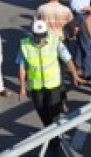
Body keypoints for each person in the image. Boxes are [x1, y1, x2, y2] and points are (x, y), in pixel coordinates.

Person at [18, 20, 83, 156]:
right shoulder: (25, 44)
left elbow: (67, 58)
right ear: (33, 34)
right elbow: (22, 66)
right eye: (38, 36)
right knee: (43, 113)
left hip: (53, 85)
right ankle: (51, 134)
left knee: (53, 114)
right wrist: (22, 88)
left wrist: (75, 75)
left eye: (43, 36)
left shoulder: (54, 41)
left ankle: (55, 141)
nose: (41, 39)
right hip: (36, 87)